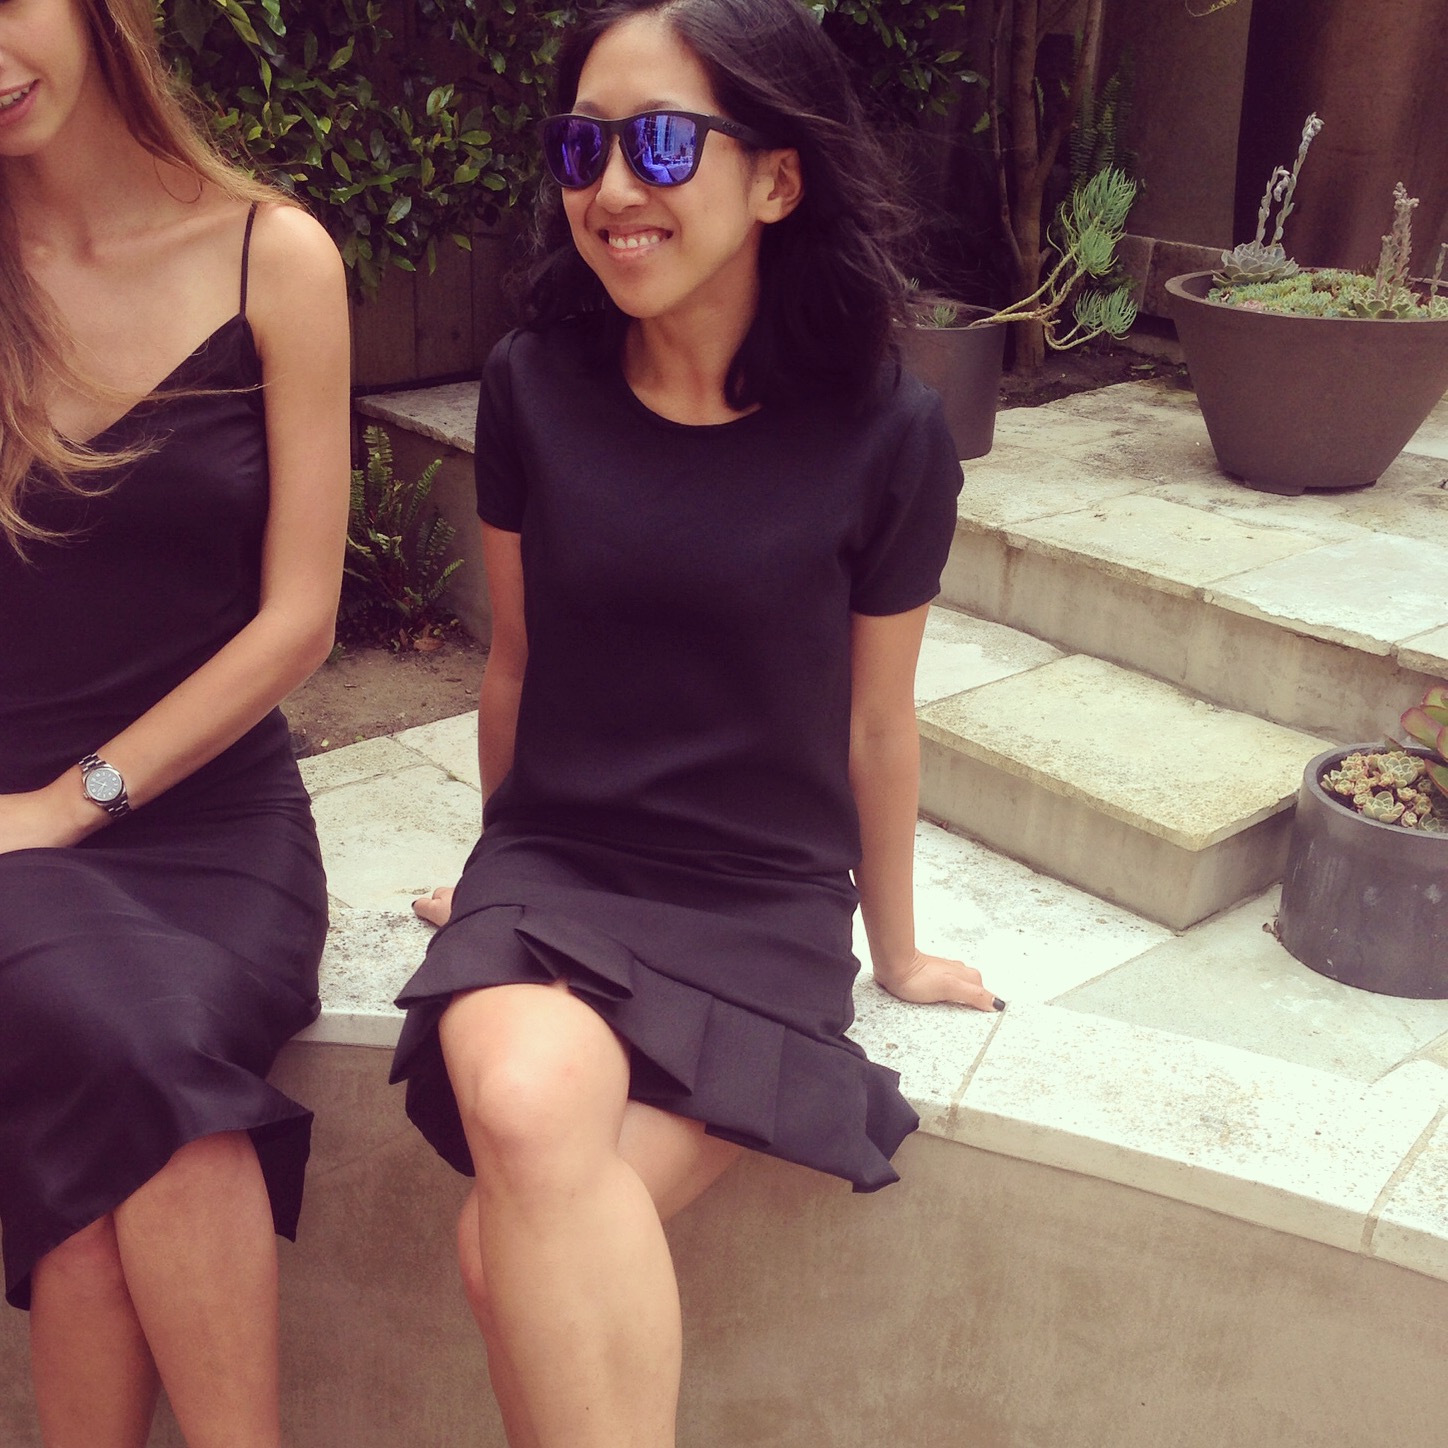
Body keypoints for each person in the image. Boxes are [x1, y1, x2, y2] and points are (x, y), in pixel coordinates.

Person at [391, 0, 1002, 1442]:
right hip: (556, 866)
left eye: (661, 144)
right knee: (525, 1098)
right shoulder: (531, 386)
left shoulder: (890, 433)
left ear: (777, 180)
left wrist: (897, 950)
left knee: (500, 1245)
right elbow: (516, 667)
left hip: (759, 899)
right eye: (582, 147)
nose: (612, 187)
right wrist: (488, 877)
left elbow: (877, 725)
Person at [0, 1, 349, 1445]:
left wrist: (72, 803)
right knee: (143, 1074)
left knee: (107, 1153)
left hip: (217, 825)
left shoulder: (276, 256)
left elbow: (299, 618)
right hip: (2, 840)